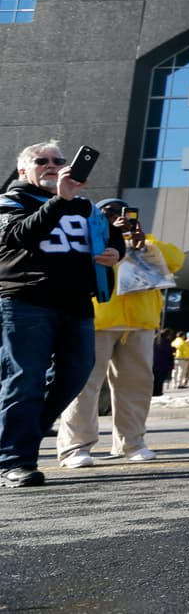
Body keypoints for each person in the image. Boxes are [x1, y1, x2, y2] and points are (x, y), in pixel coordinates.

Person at [0, 140, 124, 488]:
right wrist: (61, 200)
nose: (52, 165)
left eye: (59, 160)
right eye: (42, 161)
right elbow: (18, 236)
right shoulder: (11, 200)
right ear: (24, 169)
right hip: (25, 300)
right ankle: (16, 459)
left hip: (76, 303)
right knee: (25, 379)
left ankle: (15, 437)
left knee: (75, 373)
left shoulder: (85, 206)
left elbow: (112, 234)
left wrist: (116, 250)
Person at [56, 199, 185, 466]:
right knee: (84, 385)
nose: (118, 217)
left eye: (124, 212)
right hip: (96, 321)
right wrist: (110, 238)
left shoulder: (147, 241)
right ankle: (75, 448)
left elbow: (176, 260)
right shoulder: (87, 240)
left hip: (139, 324)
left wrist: (142, 241)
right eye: (109, 213)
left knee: (135, 386)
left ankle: (131, 443)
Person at [153, 328, 176, 396]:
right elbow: (167, 350)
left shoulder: (155, 339)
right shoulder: (165, 341)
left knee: (155, 378)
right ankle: (158, 391)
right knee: (160, 379)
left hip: (155, 363)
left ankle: (154, 391)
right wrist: (173, 349)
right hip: (163, 363)